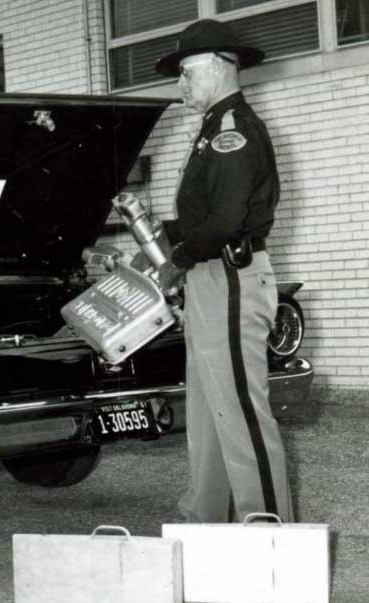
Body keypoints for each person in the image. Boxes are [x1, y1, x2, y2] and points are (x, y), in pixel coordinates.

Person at [154, 19, 294, 522]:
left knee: (239, 409)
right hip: (211, 277)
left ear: (216, 66)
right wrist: (164, 235)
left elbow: (224, 220)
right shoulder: (214, 129)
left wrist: (177, 257)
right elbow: (204, 217)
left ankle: (270, 529)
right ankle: (204, 524)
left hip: (230, 276)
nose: (181, 85)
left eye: (186, 73)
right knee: (210, 411)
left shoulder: (233, 132)